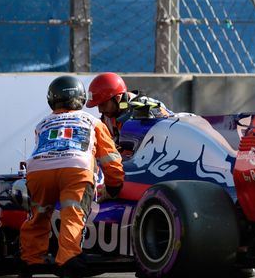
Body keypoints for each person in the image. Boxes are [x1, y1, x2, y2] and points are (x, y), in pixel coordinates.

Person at [20, 76, 124, 278]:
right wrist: (114, 186)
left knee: (39, 214)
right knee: (73, 213)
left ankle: (31, 259)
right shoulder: (93, 122)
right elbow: (110, 159)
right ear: (82, 98)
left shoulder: (42, 124)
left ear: (51, 100)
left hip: (39, 170)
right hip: (75, 169)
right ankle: (67, 259)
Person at [85, 72, 172, 156]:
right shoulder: (108, 116)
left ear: (117, 98)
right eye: (98, 106)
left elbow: (169, 135)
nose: (100, 110)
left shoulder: (147, 111)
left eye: (103, 104)